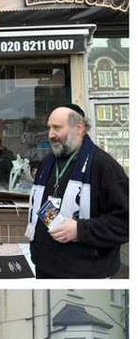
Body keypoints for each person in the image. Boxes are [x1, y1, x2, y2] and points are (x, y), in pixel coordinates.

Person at [27, 104, 128, 278]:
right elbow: (45, 208)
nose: (51, 134)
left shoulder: (104, 166)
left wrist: (80, 230)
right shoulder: (47, 163)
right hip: (45, 268)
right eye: (49, 127)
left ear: (79, 128)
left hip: (86, 273)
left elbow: (126, 222)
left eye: (57, 128)